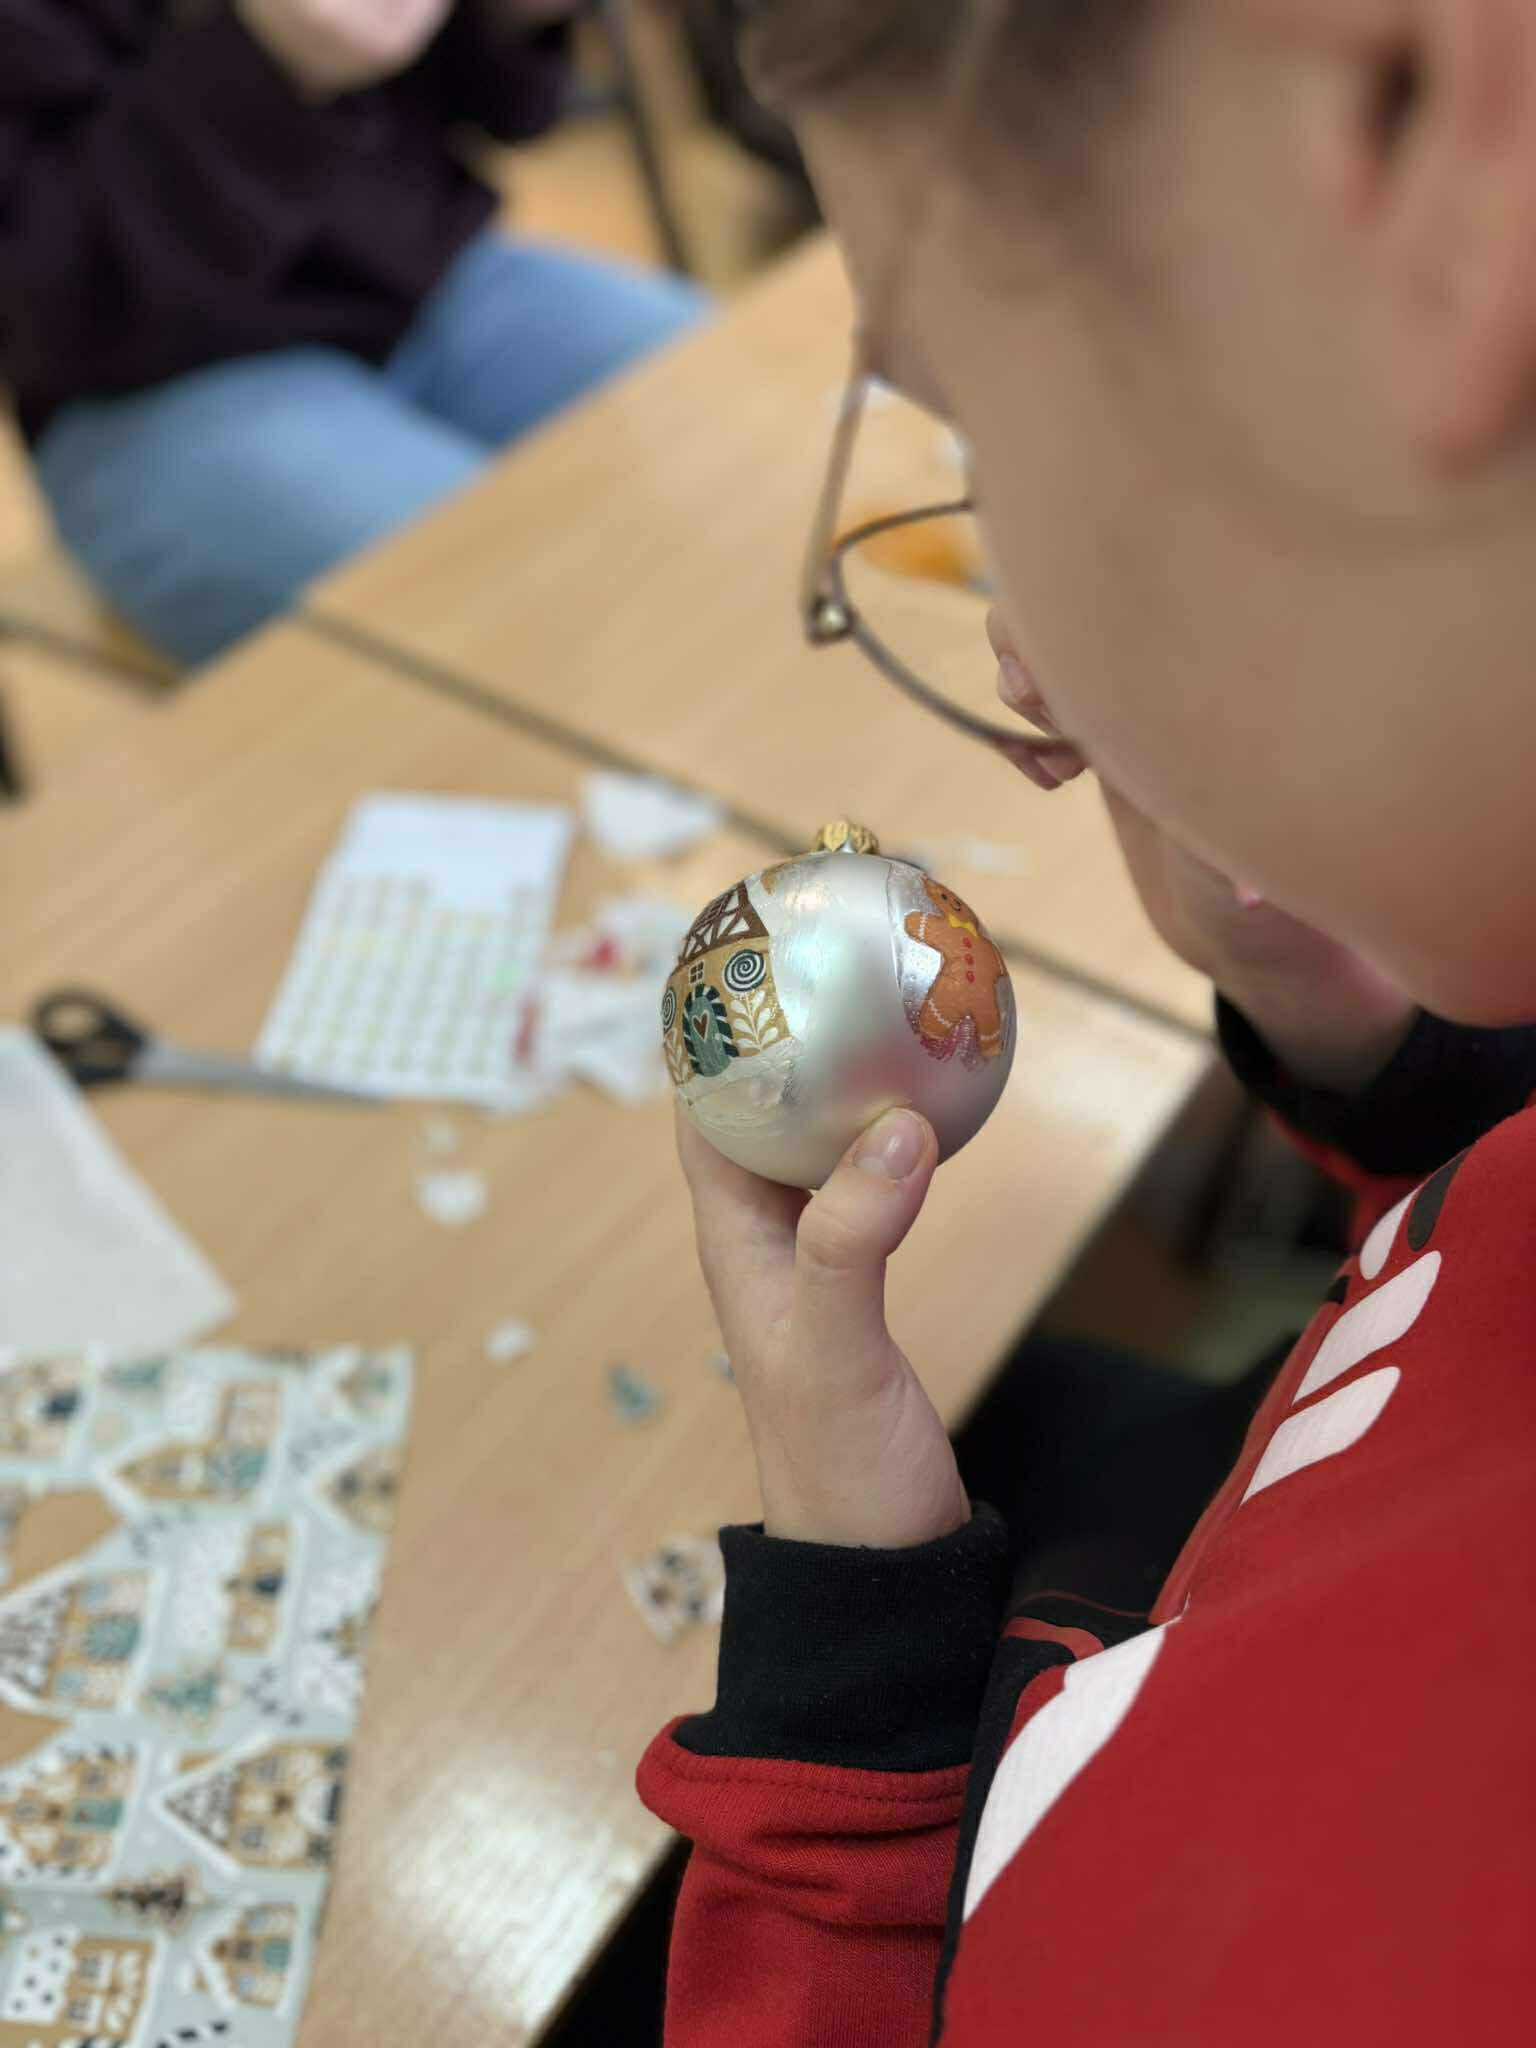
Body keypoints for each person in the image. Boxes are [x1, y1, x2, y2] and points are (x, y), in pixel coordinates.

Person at [636, 2, 1536, 2041]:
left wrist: (843, 1682)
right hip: (1156, 1529)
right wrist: (1350, 1010)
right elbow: (1479, 1249)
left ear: (1434, 137)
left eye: (966, 430)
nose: (1010, 627)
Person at [1, 1, 707, 664]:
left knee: (747, 434)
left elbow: (501, 106)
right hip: (146, 384)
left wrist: (507, 18)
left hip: (429, 281)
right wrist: (269, 63)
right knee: (532, 617)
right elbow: (52, 298)